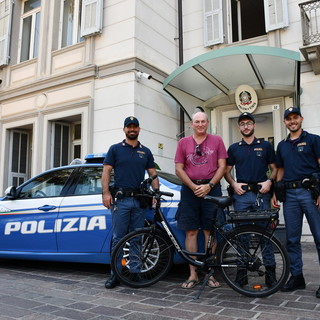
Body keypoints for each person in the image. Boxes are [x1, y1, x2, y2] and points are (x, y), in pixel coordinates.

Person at [102, 116, 159, 289]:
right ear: (124, 130)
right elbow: (106, 172)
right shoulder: (115, 149)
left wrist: (155, 193)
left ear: (139, 129)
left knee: (137, 238)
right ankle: (115, 275)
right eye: (129, 127)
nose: (132, 129)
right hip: (122, 200)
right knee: (118, 239)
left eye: (135, 127)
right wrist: (105, 193)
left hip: (139, 201)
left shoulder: (146, 151)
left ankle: (135, 273)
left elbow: (153, 173)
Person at [175, 111, 228, 289]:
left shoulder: (217, 141)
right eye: (197, 122)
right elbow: (178, 169)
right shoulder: (183, 143)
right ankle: (193, 274)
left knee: (209, 232)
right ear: (191, 124)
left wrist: (209, 186)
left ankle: (210, 273)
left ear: (207, 123)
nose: (200, 124)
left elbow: (222, 167)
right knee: (191, 232)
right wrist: (192, 186)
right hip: (190, 190)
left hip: (211, 189)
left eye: (203, 121)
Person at [224, 112, 278, 287]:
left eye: (248, 123)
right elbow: (226, 170)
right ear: (239, 127)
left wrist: (270, 181)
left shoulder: (265, 146)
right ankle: (242, 275)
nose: (245, 126)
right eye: (242, 124)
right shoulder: (234, 148)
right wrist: (234, 184)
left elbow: (275, 168)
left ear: (254, 125)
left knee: (266, 236)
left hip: (261, 195)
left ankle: (270, 275)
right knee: (242, 236)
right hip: (241, 196)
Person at [272, 107, 320, 298]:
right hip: (289, 195)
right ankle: (297, 277)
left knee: (319, 237)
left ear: (301, 118)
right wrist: (276, 192)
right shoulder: (282, 145)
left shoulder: (313, 140)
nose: (292, 121)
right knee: (292, 239)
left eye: (295, 118)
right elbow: (280, 171)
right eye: (288, 119)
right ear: (284, 122)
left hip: (310, 193)